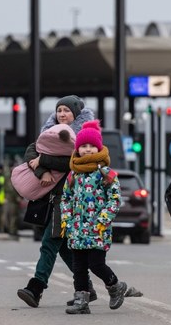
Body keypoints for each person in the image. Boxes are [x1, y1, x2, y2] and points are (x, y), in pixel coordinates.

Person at [17, 95, 95, 307]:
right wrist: (42, 170)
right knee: (62, 247)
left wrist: (43, 160)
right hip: (52, 198)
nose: (62, 114)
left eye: (67, 110)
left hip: (72, 198)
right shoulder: (49, 131)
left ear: (76, 113)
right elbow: (31, 151)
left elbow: (74, 161)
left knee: (49, 243)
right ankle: (88, 287)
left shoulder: (85, 136)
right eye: (59, 109)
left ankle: (36, 288)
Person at [61, 120, 127, 314]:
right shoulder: (73, 174)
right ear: (77, 148)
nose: (87, 149)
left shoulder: (105, 173)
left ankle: (115, 286)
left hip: (98, 229)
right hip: (76, 230)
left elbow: (115, 198)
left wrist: (103, 220)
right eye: (83, 146)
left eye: (91, 146)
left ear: (98, 148)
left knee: (96, 264)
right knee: (79, 267)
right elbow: (66, 198)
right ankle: (81, 301)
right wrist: (67, 219)